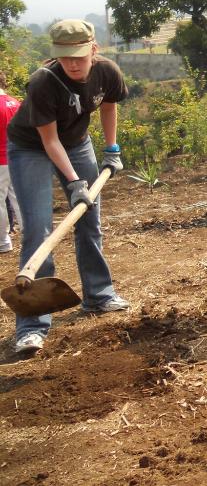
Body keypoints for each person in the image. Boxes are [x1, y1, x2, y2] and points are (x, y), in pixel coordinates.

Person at [6, 20, 130, 355]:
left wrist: (112, 148)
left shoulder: (108, 72)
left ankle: (99, 296)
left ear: (93, 49)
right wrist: (75, 182)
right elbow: (48, 140)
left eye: (78, 56)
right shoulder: (44, 82)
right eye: (64, 57)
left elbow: (108, 106)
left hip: (77, 143)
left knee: (90, 220)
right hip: (31, 147)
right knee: (38, 229)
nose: (72, 63)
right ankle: (32, 326)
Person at [0, 70, 22, 253]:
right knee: (20, 199)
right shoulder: (16, 103)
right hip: (17, 158)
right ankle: (31, 238)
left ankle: (3, 241)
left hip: (0, 160)